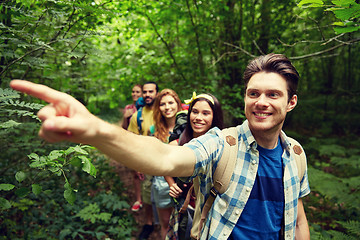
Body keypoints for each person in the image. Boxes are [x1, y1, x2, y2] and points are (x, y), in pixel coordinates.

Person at [10, 53, 310, 240]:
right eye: (253, 93)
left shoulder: (295, 154)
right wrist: (97, 131)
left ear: (291, 102)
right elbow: (165, 155)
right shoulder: (222, 142)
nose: (261, 102)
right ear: (244, 97)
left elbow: (296, 218)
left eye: (273, 94)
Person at [165, 92, 224, 240]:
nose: (198, 118)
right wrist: (172, 184)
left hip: (212, 213)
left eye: (206, 113)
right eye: (195, 112)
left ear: (214, 117)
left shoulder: (223, 146)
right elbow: (165, 166)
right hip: (186, 209)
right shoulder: (177, 143)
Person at [126, 81, 159, 239]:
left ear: (156, 93)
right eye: (145, 92)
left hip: (167, 158)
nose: (147, 95)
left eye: (150, 91)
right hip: (146, 160)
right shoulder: (136, 116)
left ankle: (168, 223)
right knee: (147, 195)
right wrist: (137, 164)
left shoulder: (165, 110)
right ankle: (148, 223)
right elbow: (132, 141)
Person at [151, 89, 182, 239]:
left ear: (178, 104)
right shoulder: (154, 131)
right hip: (162, 183)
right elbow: (156, 160)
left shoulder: (187, 126)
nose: (167, 107)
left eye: (171, 102)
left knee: (185, 223)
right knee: (166, 224)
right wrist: (169, 183)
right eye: (162, 104)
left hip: (184, 182)